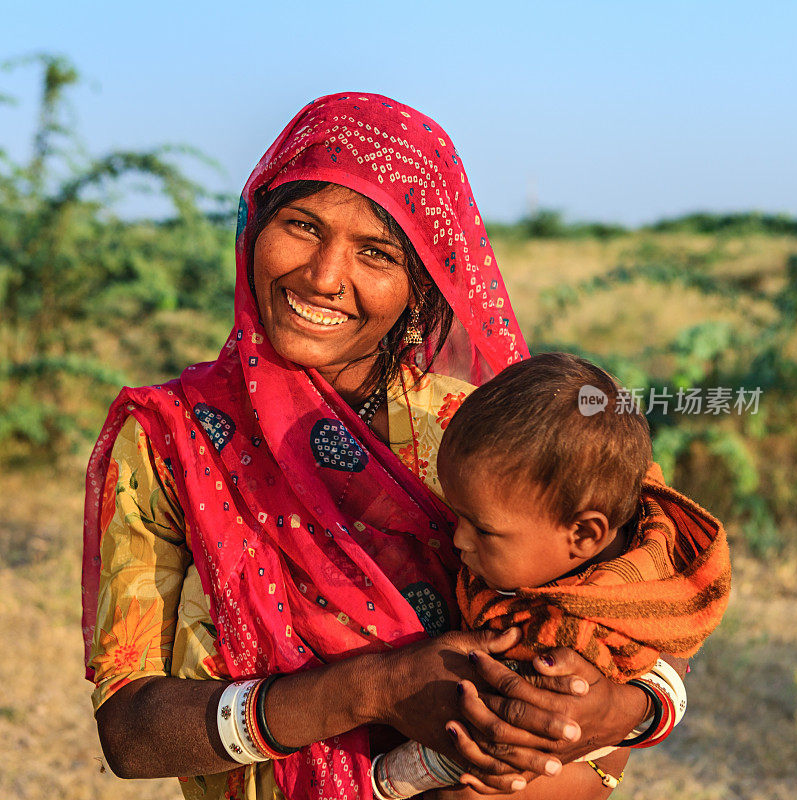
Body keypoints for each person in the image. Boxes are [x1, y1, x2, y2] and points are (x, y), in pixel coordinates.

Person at [82, 93, 695, 800]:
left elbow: (646, 598)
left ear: (420, 287)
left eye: (376, 252)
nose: (322, 275)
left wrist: (625, 710)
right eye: (301, 226)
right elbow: (129, 734)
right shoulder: (170, 438)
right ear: (253, 229)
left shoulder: (484, 431)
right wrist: (372, 690)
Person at [371, 353, 730, 799]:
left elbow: (528, 722)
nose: (459, 539)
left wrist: (384, 780)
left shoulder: (588, 615)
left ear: (583, 534)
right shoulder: (555, 521)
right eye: (456, 516)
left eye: (482, 529)